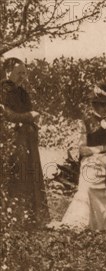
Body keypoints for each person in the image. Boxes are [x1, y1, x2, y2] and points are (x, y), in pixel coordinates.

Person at [59, 72, 106, 232]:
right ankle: (82, 228)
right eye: (102, 104)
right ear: (94, 105)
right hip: (92, 166)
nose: (105, 108)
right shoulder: (86, 122)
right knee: (86, 192)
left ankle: (103, 230)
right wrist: (104, 148)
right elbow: (82, 149)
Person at [0, 58, 49, 227]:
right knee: (18, 175)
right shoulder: (4, 91)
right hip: (14, 141)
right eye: (19, 72)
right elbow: (7, 115)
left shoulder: (21, 92)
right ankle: (17, 217)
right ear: (8, 72)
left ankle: (32, 217)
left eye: (24, 73)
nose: (23, 76)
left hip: (27, 140)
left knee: (30, 175)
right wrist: (29, 116)